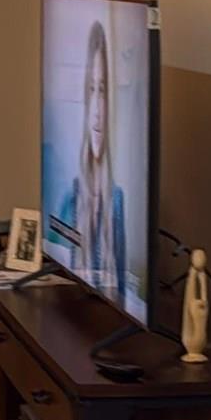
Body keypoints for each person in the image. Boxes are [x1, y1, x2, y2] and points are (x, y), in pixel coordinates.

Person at [68, 19, 128, 297]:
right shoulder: (71, 197)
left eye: (102, 90)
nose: (95, 110)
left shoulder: (116, 201)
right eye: (91, 89)